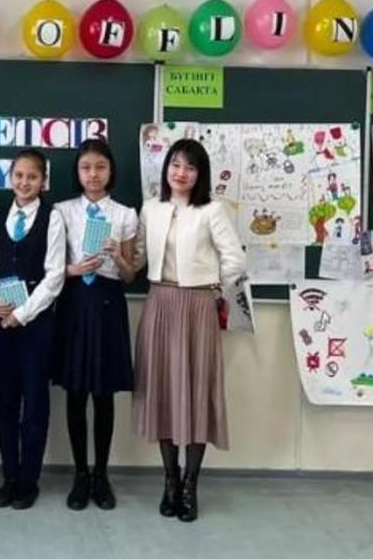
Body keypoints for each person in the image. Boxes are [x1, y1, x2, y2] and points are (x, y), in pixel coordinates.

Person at [133, 138, 246, 522]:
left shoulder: (211, 211)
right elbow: (138, 258)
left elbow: (235, 260)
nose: (181, 173)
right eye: (175, 165)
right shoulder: (151, 209)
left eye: (190, 167)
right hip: (159, 303)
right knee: (163, 391)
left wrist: (214, 289)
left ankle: (190, 485)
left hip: (197, 306)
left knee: (197, 393)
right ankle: (170, 479)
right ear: (166, 168)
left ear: (201, 175)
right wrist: (118, 254)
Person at [0, 148, 66, 510]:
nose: (25, 182)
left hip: (36, 324)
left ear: (43, 181)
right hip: (0, 323)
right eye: (19, 175)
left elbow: (55, 276)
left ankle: (29, 480)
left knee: (35, 403)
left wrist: (23, 314)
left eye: (32, 176)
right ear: (10, 177)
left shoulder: (52, 218)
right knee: (5, 402)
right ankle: (9, 477)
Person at [52, 139, 138, 510]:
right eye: (86, 167)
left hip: (108, 304)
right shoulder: (61, 211)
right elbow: (50, 266)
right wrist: (73, 269)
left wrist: (118, 256)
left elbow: (131, 275)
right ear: (78, 172)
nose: (93, 175)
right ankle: (80, 474)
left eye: (100, 167)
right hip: (74, 301)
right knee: (75, 392)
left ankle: (101, 475)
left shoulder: (125, 214)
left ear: (111, 171)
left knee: (103, 395)